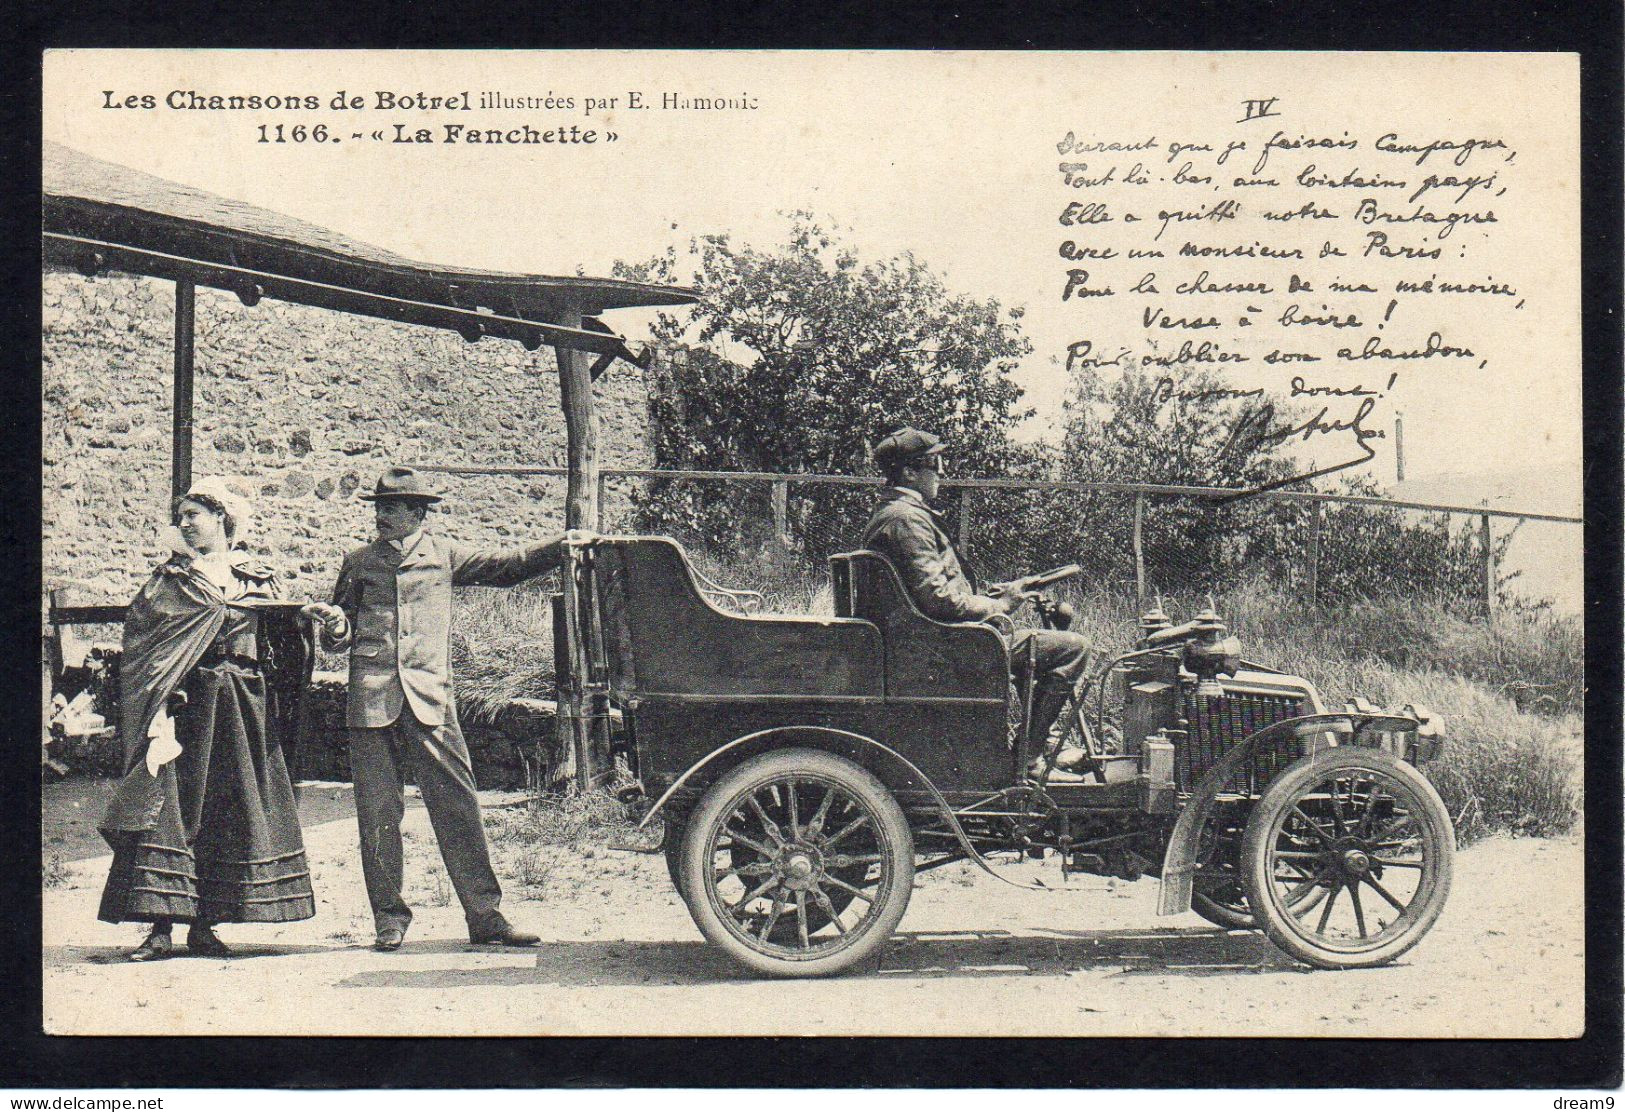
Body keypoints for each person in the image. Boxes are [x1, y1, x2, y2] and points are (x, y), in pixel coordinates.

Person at [302, 466, 584, 952]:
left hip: (431, 699)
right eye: (378, 507)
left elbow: (509, 565)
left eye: (391, 508)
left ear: (418, 513)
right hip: (371, 702)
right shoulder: (359, 562)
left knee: (459, 807)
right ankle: (388, 919)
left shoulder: (445, 556)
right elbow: (339, 635)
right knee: (377, 814)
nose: (380, 516)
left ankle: (486, 917)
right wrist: (334, 625)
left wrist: (563, 545)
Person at [98, 478, 316, 960]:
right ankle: (159, 928)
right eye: (181, 517)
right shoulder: (170, 581)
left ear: (222, 518)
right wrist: (161, 698)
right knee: (174, 807)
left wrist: (307, 622)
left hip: (244, 706)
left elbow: (284, 638)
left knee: (233, 807)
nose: (184, 524)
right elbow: (144, 646)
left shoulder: (256, 578)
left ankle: (206, 925)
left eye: (194, 514)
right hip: (188, 706)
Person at [860, 428, 1092, 770]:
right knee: (1073, 647)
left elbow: (931, 592)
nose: (942, 471)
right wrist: (1000, 606)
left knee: (1041, 647)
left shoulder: (895, 514)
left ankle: (1031, 746)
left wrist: (994, 595)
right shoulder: (907, 519)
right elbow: (939, 601)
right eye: (935, 462)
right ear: (909, 472)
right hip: (945, 647)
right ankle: (1028, 759)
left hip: (928, 640)